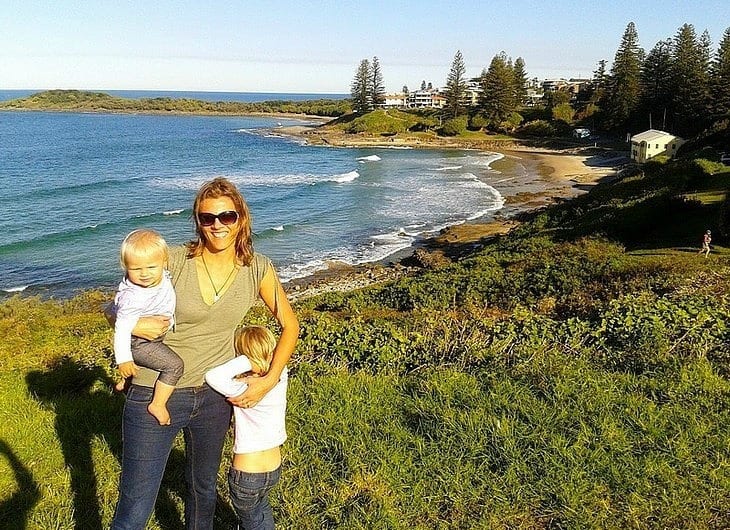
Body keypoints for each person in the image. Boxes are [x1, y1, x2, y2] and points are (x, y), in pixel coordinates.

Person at [110, 177, 299, 530]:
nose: (217, 225)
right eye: (207, 217)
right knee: (136, 505)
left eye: (226, 216)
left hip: (214, 398)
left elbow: (291, 325)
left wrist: (268, 380)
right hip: (156, 392)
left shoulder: (257, 268)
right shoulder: (175, 261)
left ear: (241, 218)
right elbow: (115, 307)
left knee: (203, 491)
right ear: (197, 220)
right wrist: (134, 328)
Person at [205, 325, 287, 530]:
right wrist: (264, 355)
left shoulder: (243, 388)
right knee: (260, 512)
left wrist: (247, 360)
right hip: (273, 468)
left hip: (247, 473)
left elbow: (212, 376)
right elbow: (279, 362)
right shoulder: (280, 376)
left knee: (251, 522)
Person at [113, 229, 183, 426]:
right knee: (174, 366)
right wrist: (123, 359)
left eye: (151, 267)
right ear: (125, 267)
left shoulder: (162, 275)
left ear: (164, 262)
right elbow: (122, 329)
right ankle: (158, 404)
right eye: (136, 269)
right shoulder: (133, 297)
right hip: (139, 342)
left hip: (150, 337)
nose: (144, 274)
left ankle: (125, 382)